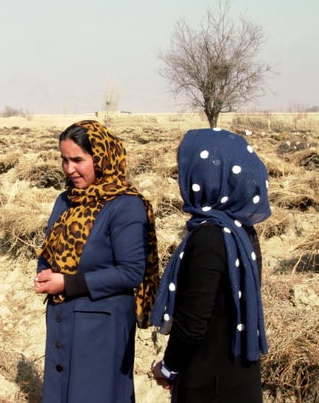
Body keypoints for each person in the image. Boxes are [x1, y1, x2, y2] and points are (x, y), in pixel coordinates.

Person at [34, 120, 160, 403]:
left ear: (101, 157)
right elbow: (49, 248)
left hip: (103, 328)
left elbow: (130, 273)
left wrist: (66, 283)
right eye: (64, 160)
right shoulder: (65, 200)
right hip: (63, 319)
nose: (69, 169)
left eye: (78, 160)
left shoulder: (126, 205)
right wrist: (44, 272)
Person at [150, 128, 271, 402]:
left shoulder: (210, 237)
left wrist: (169, 368)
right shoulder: (241, 231)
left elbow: (193, 322)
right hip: (237, 378)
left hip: (209, 384)